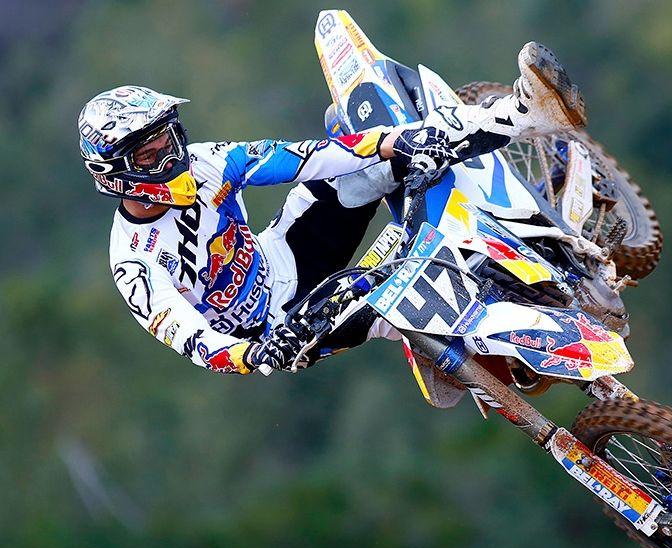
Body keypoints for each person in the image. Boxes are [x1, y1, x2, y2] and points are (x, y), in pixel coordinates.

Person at [78, 42, 587, 375]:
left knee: (381, 151)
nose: (171, 158)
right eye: (150, 156)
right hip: (285, 328)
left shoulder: (208, 162)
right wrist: (253, 354)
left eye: (169, 140)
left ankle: (523, 114)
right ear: (115, 173)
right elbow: (192, 339)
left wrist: (391, 143)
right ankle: (548, 340)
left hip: (288, 250)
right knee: (404, 300)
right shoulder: (135, 262)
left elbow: (305, 158)